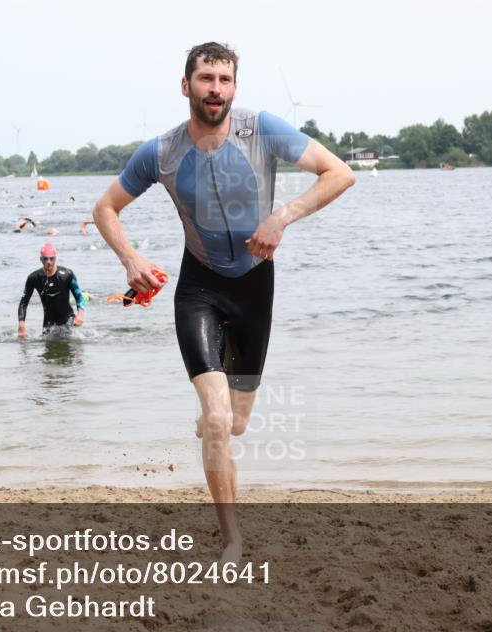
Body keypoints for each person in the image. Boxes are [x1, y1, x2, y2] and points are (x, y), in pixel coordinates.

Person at [91, 42, 354, 561]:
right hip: (200, 287)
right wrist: (131, 261)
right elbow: (105, 208)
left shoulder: (263, 129)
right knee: (215, 421)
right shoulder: (161, 153)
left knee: (234, 423)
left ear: (235, 87)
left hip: (256, 287)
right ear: (186, 86)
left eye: (225, 80)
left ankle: (215, 428)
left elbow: (339, 173)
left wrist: (281, 218)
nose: (216, 89)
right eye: (206, 79)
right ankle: (232, 538)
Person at [17, 243, 85, 337]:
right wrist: (21, 324)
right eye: (45, 259)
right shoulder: (34, 278)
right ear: (41, 259)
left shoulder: (67, 275)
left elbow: (79, 296)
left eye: (52, 258)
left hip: (67, 320)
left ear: (55, 258)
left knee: (63, 343)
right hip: (48, 323)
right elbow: (23, 302)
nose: (49, 262)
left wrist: (80, 314)